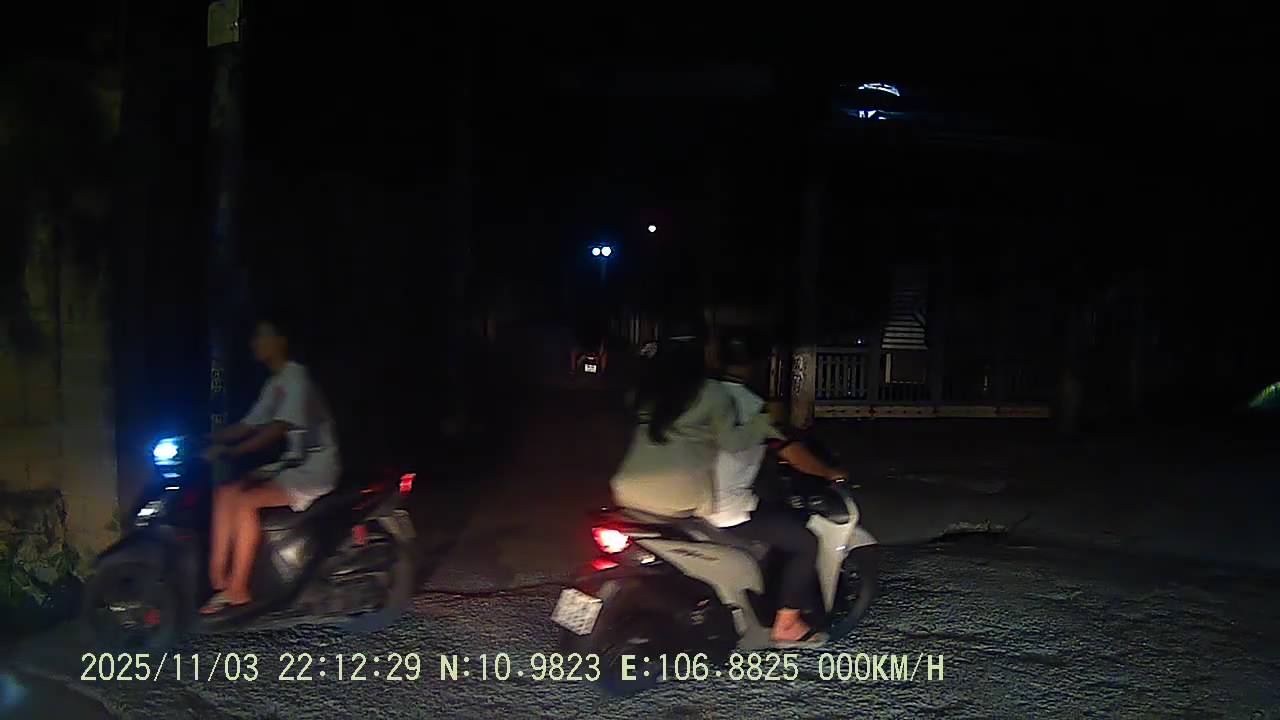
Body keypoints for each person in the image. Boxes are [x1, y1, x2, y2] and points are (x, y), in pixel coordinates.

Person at [702, 334, 847, 644]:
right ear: (754, 367)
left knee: (769, 505)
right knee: (805, 542)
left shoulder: (700, 398)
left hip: (688, 501)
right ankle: (787, 624)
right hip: (725, 511)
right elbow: (791, 452)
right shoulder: (750, 406)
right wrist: (829, 472)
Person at [199, 318, 342, 614]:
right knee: (226, 492)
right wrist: (202, 438)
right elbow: (248, 425)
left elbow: (278, 428)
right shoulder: (275, 383)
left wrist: (231, 450)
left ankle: (238, 589)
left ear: (281, 341)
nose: (255, 343)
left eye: (262, 336)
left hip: (315, 467)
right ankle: (218, 578)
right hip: (293, 463)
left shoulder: (297, 378)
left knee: (245, 501)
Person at [609, 324, 754, 518]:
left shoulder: (642, 389)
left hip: (626, 488)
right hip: (681, 495)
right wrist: (763, 426)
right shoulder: (712, 392)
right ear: (700, 351)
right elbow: (732, 444)